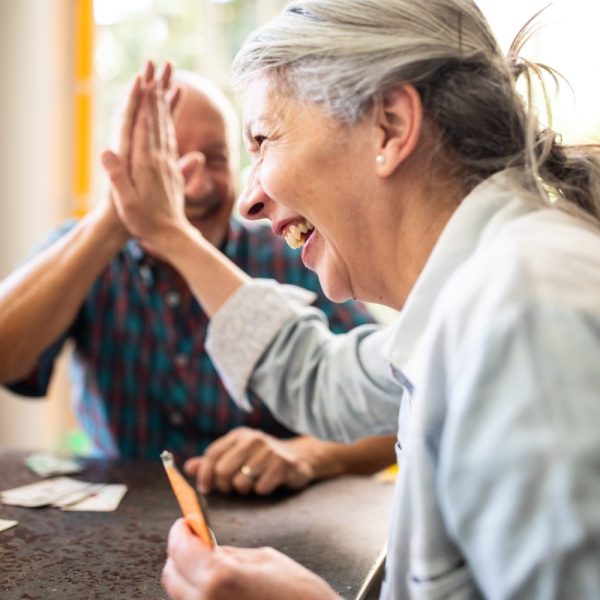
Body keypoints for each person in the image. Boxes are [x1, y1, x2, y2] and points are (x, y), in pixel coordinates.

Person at [101, 0, 600, 597]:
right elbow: (323, 376)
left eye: (263, 139)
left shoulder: (524, 319)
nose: (248, 201)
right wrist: (170, 236)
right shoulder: (472, 299)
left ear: (388, 126)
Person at [0, 66, 397, 496]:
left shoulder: (292, 251)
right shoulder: (81, 249)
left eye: (217, 158)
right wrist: (120, 215)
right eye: (167, 160)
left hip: (268, 516)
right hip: (117, 522)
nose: (198, 183)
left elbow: (392, 400)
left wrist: (307, 455)